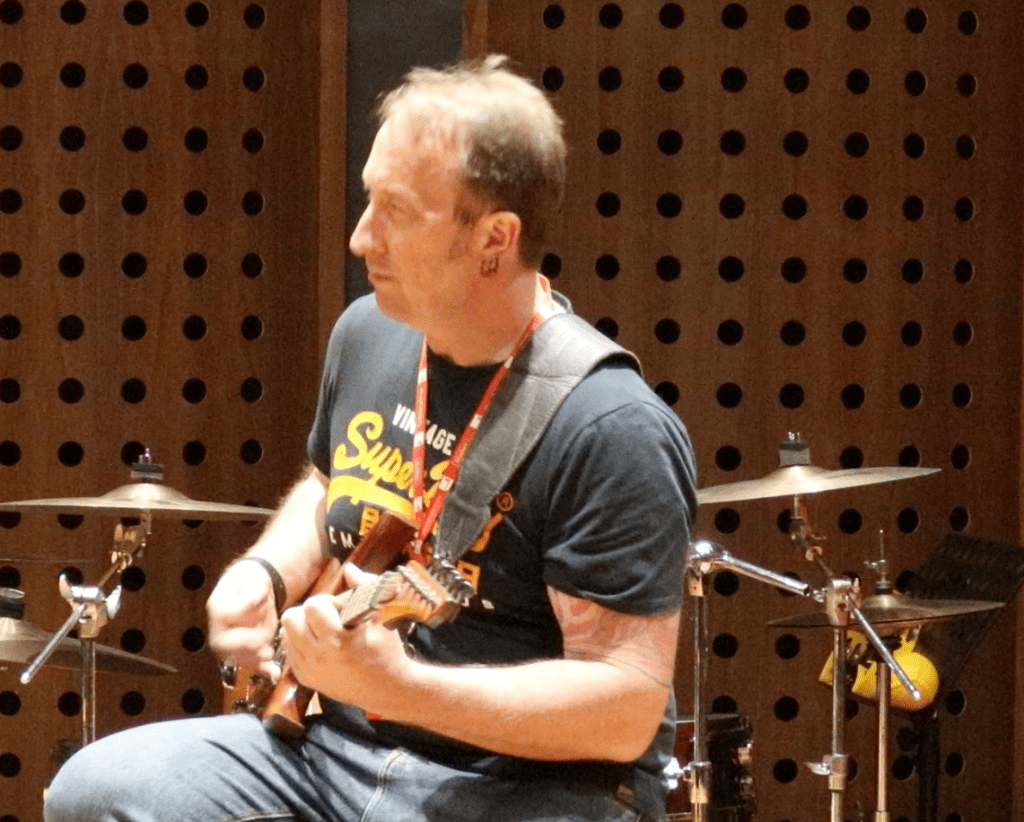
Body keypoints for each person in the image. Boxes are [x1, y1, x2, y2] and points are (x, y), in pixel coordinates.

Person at [44, 55, 697, 822]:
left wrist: (404, 689)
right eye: (367, 200)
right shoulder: (369, 334)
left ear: (495, 238)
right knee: (93, 793)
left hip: (523, 787)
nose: (361, 238)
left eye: (396, 210)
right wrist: (267, 573)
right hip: (336, 753)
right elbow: (331, 483)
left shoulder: (612, 428)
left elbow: (624, 708)